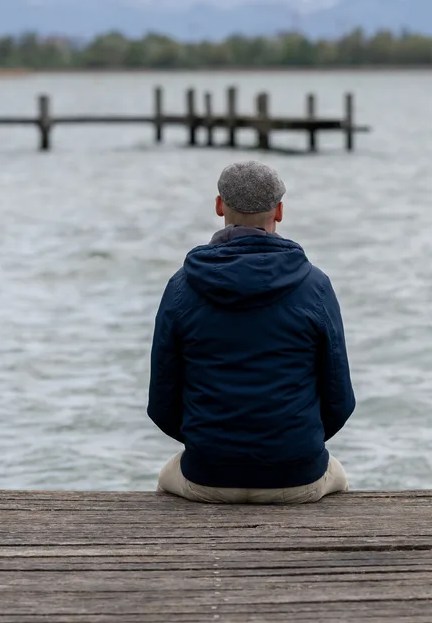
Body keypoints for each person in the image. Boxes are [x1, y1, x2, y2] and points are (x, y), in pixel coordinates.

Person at [148, 160, 355, 504]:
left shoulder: (182, 286)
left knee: (166, 477)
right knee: (339, 477)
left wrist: (210, 445)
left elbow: (162, 402)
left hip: (208, 474)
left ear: (219, 206)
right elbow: (339, 399)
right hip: (296, 475)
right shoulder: (315, 285)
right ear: (280, 211)